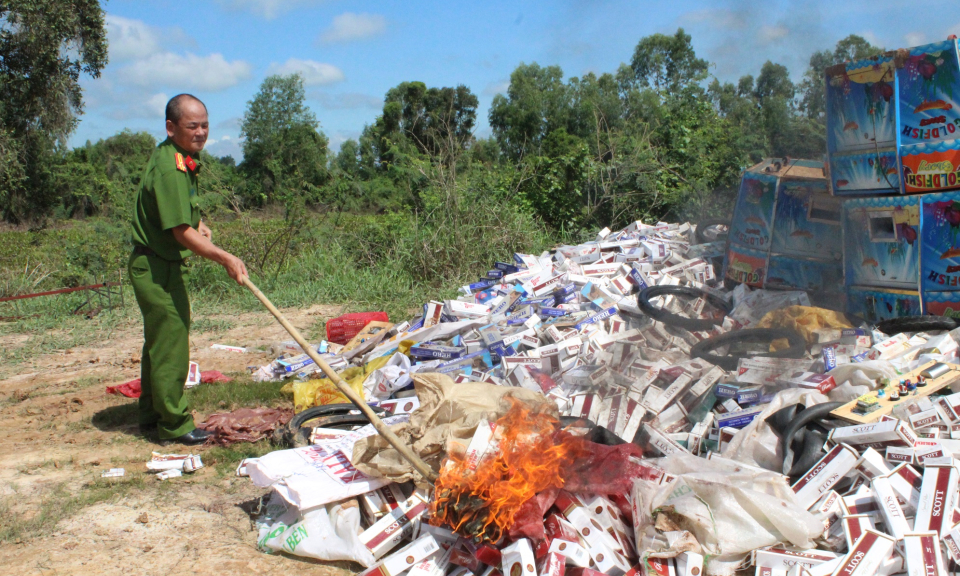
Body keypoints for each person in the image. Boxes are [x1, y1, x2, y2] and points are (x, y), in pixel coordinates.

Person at [129, 94, 248, 445]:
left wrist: (198, 221)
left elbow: (180, 214)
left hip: (159, 263)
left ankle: (152, 413)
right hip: (154, 266)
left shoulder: (178, 157)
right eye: (191, 126)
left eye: (205, 125)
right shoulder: (171, 167)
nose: (200, 132)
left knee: (161, 341)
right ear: (171, 127)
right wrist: (225, 257)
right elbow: (180, 233)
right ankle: (174, 424)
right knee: (171, 343)